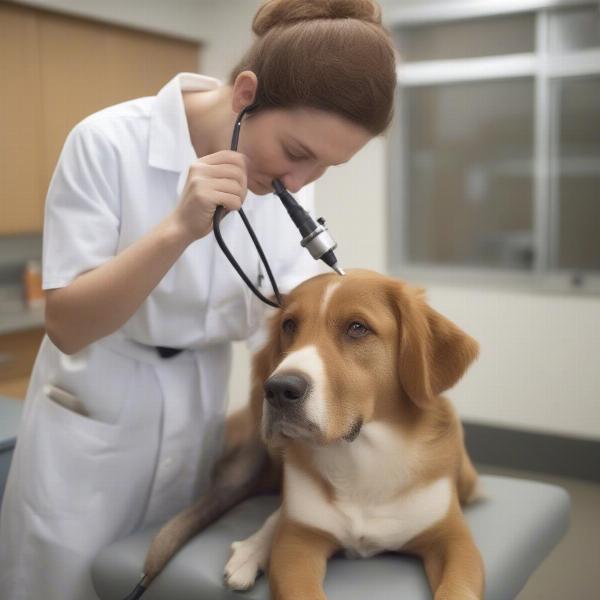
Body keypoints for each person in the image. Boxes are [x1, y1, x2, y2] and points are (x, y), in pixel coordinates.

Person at [0, 0, 397, 598]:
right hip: (93, 414)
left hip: (200, 404)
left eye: (324, 166)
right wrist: (177, 229)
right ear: (245, 94)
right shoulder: (107, 142)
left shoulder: (287, 184)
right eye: (295, 153)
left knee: (160, 580)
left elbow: (291, 310)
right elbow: (67, 324)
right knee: (65, 584)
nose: (300, 183)